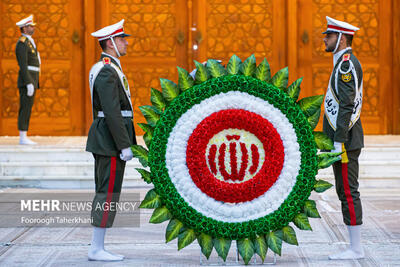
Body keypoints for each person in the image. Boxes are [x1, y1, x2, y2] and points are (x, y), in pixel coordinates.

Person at [86, 19, 136, 262]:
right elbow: (112, 111)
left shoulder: (108, 67)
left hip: (107, 138)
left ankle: (98, 246)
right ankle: (96, 249)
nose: (125, 43)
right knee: (107, 192)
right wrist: (123, 144)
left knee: (107, 191)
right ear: (109, 43)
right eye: (121, 39)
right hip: (109, 140)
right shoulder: (107, 69)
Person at [322, 16, 364, 260]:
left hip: (346, 142)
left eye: (328, 35)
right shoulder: (341, 63)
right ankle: (353, 245)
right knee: (344, 190)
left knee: (349, 191)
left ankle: (356, 248)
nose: (325, 39)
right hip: (344, 140)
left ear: (341, 37)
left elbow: (347, 105)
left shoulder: (346, 64)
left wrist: (338, 141)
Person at [15, 15, 41, 145]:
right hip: (28, 80)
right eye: (31, 26)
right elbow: (23, 65)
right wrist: (29, 82)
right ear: (24, 28)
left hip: (32, 78)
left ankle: (24, 134)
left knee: (28, 107)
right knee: (25, 107)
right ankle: (22, 135)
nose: (33, 28)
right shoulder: (22, 43)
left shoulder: (29, 41)